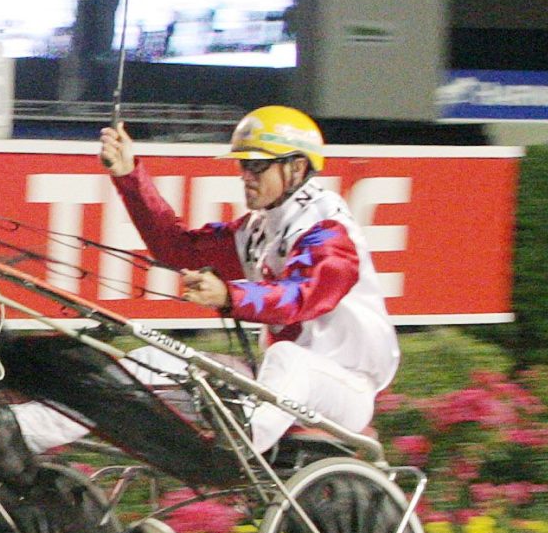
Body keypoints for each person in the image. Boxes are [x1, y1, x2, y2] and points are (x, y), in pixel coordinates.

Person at [99, 107, 400, 449]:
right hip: (276, 386)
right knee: (149, 361)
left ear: (297, 167)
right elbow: (178, 250)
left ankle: (239, 451)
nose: (245, 175)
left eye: (257, 165)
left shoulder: (329, 231)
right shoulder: (259, 228)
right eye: (243, 165)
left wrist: (229, 296)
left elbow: (297, 298)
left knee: (288, 358)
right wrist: (128, 175)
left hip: (344, 391)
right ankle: (31, 435)